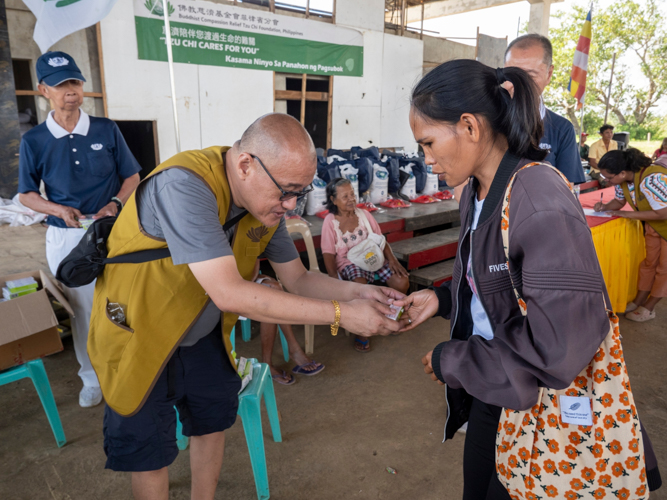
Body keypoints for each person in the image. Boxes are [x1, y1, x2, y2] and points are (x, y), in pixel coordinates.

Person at [88, 113, 407, 500]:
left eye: (300, 193)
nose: (290, 206)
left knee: (211, 423)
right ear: (245, 165)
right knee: (150, 454)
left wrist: (359, 295)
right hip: (140, 334)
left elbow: (300, 279)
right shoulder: (185, 186)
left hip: (202, 333)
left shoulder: (264, 206)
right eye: (286, 191)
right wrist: (342, 315)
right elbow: (230, 293)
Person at [398, 59, 660, 498]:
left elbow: (561, 344)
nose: (426, 160)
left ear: (468, 126)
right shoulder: (478, 192)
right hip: (497, 387)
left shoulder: (538, 198)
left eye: (427, 143)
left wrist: (457, 360)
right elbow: (493, 280)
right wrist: (444, 300)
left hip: (539, 397)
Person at [18, 51, 141, 408]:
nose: (70, 90)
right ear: (44, 90)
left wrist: (114, 205)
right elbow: (26, 195)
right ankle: (92, 377)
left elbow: (131, 177)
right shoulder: (35, 141)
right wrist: (58, 209)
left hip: (112, 230)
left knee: (122, 300)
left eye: (74, 82)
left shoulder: (106, 129)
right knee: (82, 309)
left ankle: (127, 367)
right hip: (67, 236)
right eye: (60, 85)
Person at [320, 178, 409, 353]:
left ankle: (391, 317)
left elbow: (380, 240)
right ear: (333, 200)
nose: (351, 199)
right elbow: (328, 253)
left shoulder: (364, 215)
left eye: (352, 194)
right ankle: (363, 332)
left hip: (373, 256)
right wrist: (333, 280)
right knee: (361, 287)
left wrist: (393, 260)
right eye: (345, 196)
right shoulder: (330, 222)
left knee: (401, 281)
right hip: (350, 262)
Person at [594, 148, 667, 322]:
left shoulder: (651, 179)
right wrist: (604, 207)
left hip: (662, 222)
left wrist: (628, 214)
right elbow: (620, 201)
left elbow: (663, 213)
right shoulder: (624, 181)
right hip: (654, 226)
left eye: (610, 178)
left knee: (664, 268)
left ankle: (649, 308)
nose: (607, 181)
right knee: (649, 263)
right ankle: (639, 300)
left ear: (623, 172)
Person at [504, 34, 585, 184]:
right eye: (512, 75)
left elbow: (567, 191)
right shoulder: (485, 120)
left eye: (530, 75)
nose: (520, 85)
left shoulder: (561, 130)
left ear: (549, 74)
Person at [250, 260, 324, 385]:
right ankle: (288, 353)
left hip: (247, 278)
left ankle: (290, 351)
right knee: (269, 295)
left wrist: (253, 278)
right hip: (224, 284)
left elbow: (253, 259)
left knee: (274, 287)